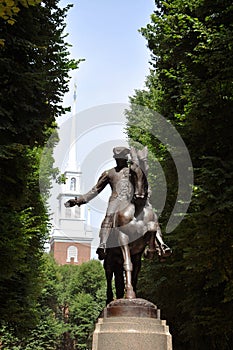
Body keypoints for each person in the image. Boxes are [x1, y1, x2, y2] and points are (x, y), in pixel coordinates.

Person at [65, 146, 148, 260]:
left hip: (130, 200)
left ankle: (155, 243)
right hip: (115, 201)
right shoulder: (109, 173)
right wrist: (77, 200)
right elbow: (95, 190)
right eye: (117, 158)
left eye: (121, 158)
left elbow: (142, 181)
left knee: (147, 214)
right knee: (108, 217)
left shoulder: (132, 171)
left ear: (126, 158)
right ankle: (103, 244)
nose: (119, 160)